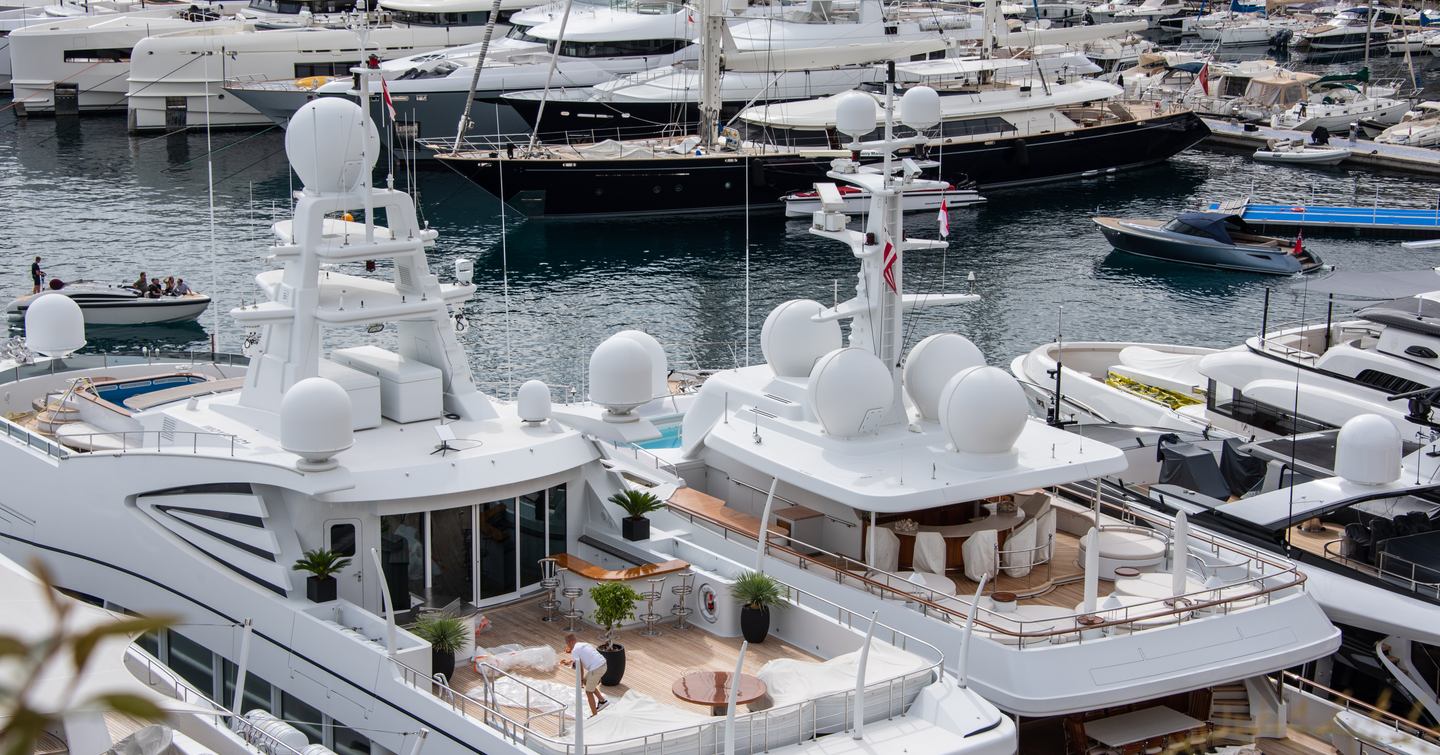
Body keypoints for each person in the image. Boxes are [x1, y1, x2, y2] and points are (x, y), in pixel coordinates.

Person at [561, 634, 609, 715]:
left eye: (567, 644)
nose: (567, 646)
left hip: (596, 669)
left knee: (588, 692)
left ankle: (594, 715)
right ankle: (602, 701)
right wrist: (569, 662)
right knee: (586, 681)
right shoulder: (584, 644)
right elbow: (580, 661)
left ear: (570, 642)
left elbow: (580, 668)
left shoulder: (575, 650)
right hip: (603, 664)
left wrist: (580, 681)